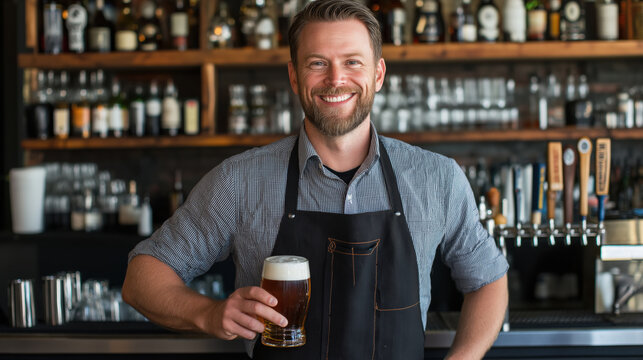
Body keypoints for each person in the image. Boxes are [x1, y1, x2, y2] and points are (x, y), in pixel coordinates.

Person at [122, 0, 509, 359]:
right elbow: (142, 276)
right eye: (317, 63)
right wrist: (208, 314)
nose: (336, 79)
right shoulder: (240, 180)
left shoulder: (436, 178)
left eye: (353, 62)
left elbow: (488, 280)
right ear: (294, 76)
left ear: (378, 74)